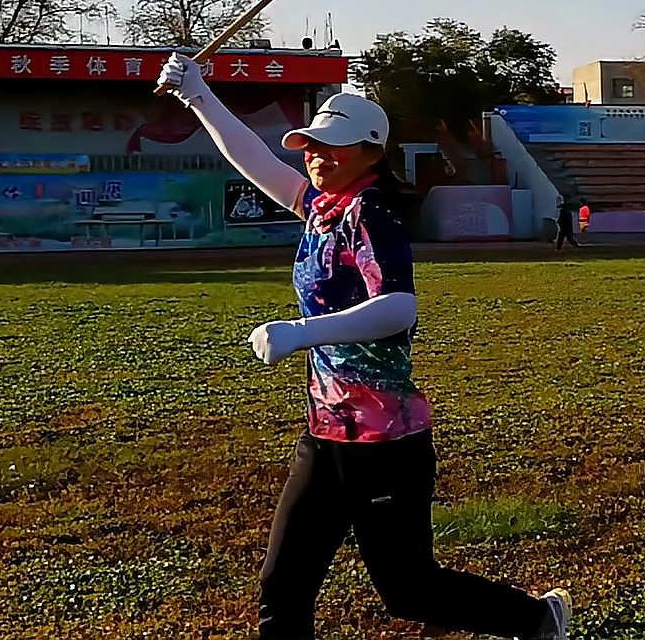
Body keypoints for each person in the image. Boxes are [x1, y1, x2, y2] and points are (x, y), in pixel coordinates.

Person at [158, 55, 569, 640]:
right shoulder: (322, 209)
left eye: (333, 148)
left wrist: (302, 333)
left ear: (372, 152)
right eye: (311, 146)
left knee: (407, 588)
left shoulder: (372, 215)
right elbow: (255, 161)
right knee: (284, 587)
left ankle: (536, 618)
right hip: (326, 431)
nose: (317, 157)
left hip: (385, 439)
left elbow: (399, 309)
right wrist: (197, 94)